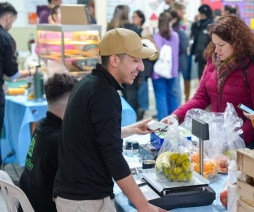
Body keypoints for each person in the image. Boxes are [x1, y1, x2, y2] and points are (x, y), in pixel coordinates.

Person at [52, 28, 165, 212]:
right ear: (114, 60)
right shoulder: (104, 94)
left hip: (76, 194)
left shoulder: (89, 83)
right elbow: (113, 156)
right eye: (135, 60)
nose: (142, 67)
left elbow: (94, 135)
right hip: (84, 201)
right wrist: (144, 207)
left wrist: (132, 130)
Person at [162, 15, 254, 148]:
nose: (217, 50)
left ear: (237, 43)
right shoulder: (213, 63)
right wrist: (176, 116)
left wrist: (237, 139)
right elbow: (200, 97)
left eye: (221, 45)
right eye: (214, 44)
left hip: (244, 143)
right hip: (217, 138)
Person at [19, 74, 78, 212]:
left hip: (28, 203)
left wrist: (131, 129)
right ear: (73, 102)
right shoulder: (60, 140)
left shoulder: (42, 126)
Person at [0, 2, 36, 167]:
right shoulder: (5, 38)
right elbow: (13, 74)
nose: (11, 25)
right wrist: (31, 72)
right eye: (13, 21)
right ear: (8, 18)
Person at [152, 12, 179, 121]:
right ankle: (174, 120)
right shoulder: (175, 36)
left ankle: (163, 123)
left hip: (158, 72)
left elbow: (154, 54)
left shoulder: (157, 36)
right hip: (172, 71)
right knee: (171, 95)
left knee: (160, 97)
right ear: (170, 22)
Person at [190, 4, 214, 80]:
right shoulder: (200, 24)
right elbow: (195, 36)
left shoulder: (211, 25)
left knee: (207, 81)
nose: (199, 15)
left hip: (208, 58)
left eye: (200, 14)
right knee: (201, 80)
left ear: (204, 14)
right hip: (200, 57)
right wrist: (195, 23)